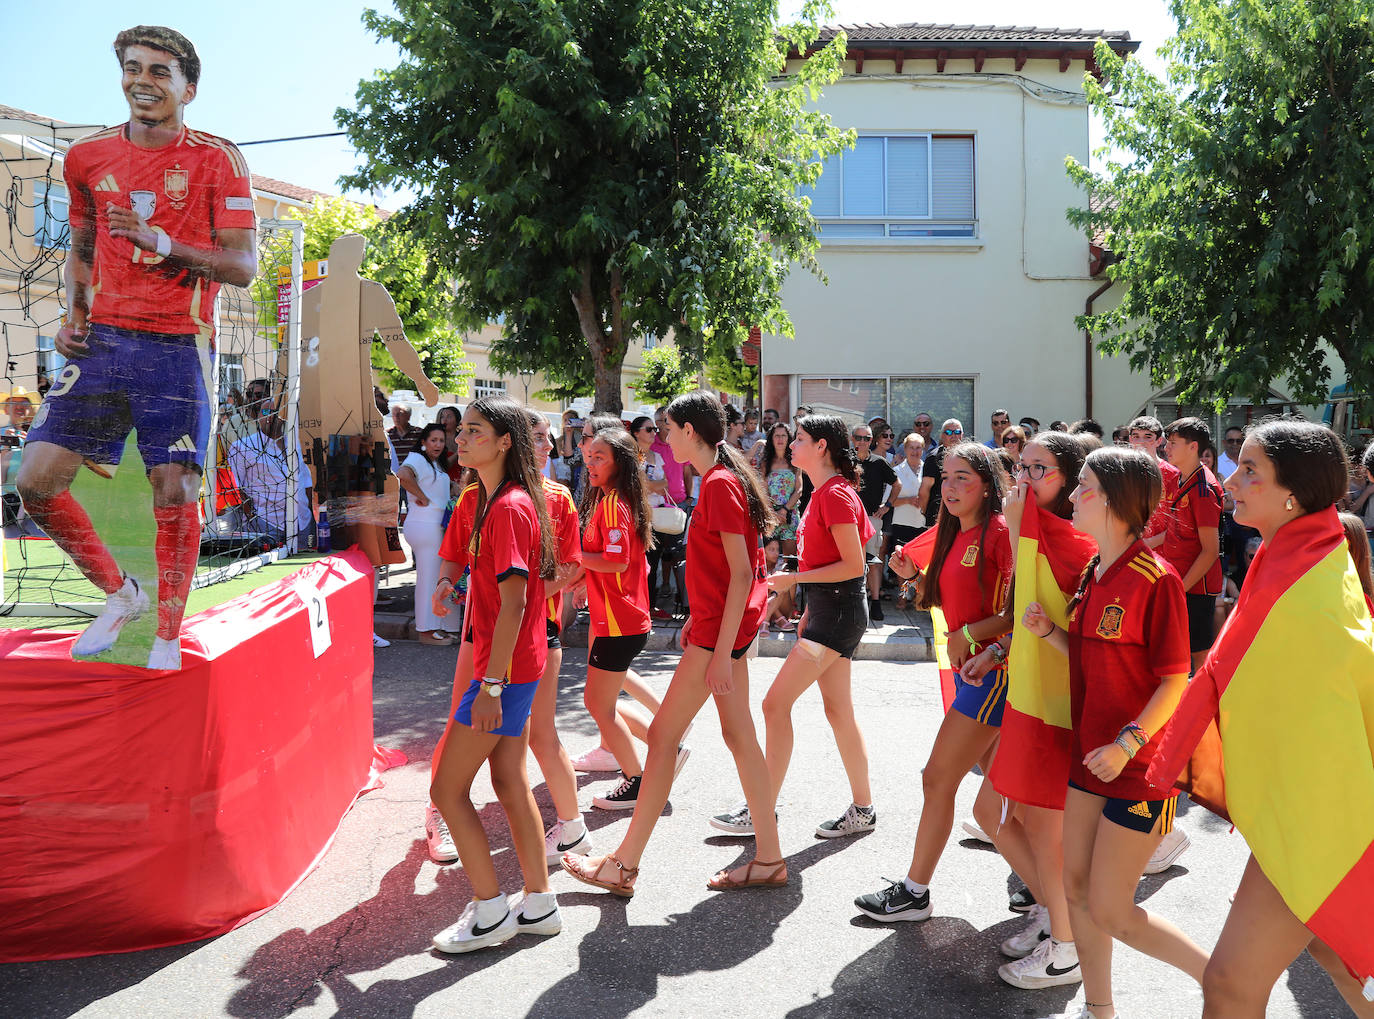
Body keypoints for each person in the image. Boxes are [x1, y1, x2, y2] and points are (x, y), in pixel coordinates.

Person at [16, 25, 258, 671]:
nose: (142, 80)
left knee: (174, 489)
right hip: (102, 344)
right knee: (33, 480)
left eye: (159, 70)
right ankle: (122, 594)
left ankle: (167, 637)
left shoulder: (217, 158)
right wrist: (72, 318)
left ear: (189, 87)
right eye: (132, 67)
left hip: (176, 345)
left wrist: (161, 241)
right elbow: (83, 249)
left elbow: (243, 267)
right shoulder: (87, 158)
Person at [1147, 420, 1374, 1017]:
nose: (1234, 481)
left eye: (1251, 471)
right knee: (1333, 954)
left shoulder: (1305, 578)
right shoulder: (1301, 555)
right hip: (1309, 809)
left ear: (1292, 493)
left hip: (1317, 819)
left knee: (1228, 982)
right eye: (1238, 466)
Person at [562, 392, 786, 895]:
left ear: (690, 430)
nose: (662, 437)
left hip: (719, 638)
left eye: (668, 428)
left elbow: (744, 572)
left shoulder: (721, 483)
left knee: (664, 739)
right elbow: (733, 571)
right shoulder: (721, 480)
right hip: (716, 632)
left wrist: (722, 649)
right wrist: (704, 625)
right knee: (739, 738)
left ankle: (623, 865)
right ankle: (769, 858)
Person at [1021, 446, 1209, 1019]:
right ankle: (1099, 1009)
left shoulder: (1159, 579)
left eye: (1084, 487)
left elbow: (1176, 680)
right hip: (1089, 760)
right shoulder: (1091, 571)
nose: (1073, 495)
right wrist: (1050, 631)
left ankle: (1221, 977)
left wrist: (1127, 742)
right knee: (1074, 889)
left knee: (1113, 909)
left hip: (1139, 769)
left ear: (1118, 502)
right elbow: (1089, 655)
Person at [854, 443, 1013, 924]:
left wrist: (972, 638)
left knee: (938, 779)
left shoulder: (1000, 534)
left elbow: (1018, 614)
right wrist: (912, 576)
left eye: (963, 477)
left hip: (993, 674)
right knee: (1002, 796)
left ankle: (914, 891)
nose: (950, 487)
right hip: (971, 673)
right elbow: (935, 601)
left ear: (987, 485)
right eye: (945, 478)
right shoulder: (952, 534)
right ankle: (1040, 886)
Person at [427, 396, 561, 953]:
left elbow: (513, 604)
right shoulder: (486, 499)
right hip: (513, 665)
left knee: (446, 789)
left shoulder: (506, 506)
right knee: (508, 782)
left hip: (503, 673)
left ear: (505, 442)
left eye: (474, 432)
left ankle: (489, 913)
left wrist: (492, 687)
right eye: (461, 431)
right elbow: (494, 588)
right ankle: (540, 903)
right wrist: (452, 588)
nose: (460, 438)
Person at [712, 414, 876, 839]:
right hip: (830, 612)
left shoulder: (835, 495)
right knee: (840, 712)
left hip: (837, 614)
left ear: (821, 446)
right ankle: (864, 808)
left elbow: (855, 565)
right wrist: (807, 606)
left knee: (773, 705)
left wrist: (795, 581)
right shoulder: (826, 492)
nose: (792, 444)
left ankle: (761, 809)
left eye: (800, 438)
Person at [968, 431, 1090, 989]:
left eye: (1038, 469)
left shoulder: (1076, 544)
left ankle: (1067, 948)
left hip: (1055, 707)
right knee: (997, 818)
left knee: (1041, 828)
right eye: (1021, 467)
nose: (1023, 478)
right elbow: (1027, 618)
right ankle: (1051, 911)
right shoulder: (1033, 533)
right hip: (1024, 696)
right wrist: (996, 651)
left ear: (1068, 480)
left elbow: (1072, 634)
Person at [580, 424, 662, 811]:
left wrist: (574, 560)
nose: (590, 461)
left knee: (599, 705)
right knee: (600, 703)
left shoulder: (613, 502)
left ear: (619, 463)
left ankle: (637, 779)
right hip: (619, 618)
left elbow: (616, 561)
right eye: (589, 454)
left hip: (620, 621)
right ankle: (662, 751)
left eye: (600, 457)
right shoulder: (613, 497)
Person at [1161, 417, 1223, 671]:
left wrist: (1181, 588)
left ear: (1193, 447)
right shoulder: (1179, 479)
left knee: (1199, 653)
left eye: (1173, 443)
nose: (1166, 448)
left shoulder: (1203, 489)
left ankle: (1207, 707)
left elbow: (1210, 551)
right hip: (1180, 578)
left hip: (1195, 585)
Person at [227, 378, 313, 548]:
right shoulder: (242, 447)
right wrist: (252, 517)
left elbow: (305, 477)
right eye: (265, 413)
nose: (270, 417)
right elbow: (236, 488)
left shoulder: (293, 442)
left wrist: (308, 511)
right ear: (258, 417)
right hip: (268, 523)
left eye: (275, 412)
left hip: (302, 522)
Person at [398, 423, 455, 645]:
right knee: (429, 579)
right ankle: (426, 631)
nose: (438, 444)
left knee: (439, 577)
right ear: (423, 442)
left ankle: (440, 626)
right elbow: (402, 474)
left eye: (441, 440)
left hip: (434, 525)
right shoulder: (417, 458)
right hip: (425, 525)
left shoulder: (433, 463)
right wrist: (421, 496)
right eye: (433, 440)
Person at [851, 423, 899, 622]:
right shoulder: (846, 462)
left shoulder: (879, 462)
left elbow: (897, 484)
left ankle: (876, 602)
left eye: (867, 438)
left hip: (872, 518)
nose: (863, 442)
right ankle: (854, 603)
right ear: (852, 439)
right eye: (859, 437)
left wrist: (886, 505)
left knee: (874, 562)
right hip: (848, 520)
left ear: (872, 440)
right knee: (852, 563)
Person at [889, 433, 927, 610]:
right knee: (901, 562)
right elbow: (889, 502)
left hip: (922, 523)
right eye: (911, 447)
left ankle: (919, 598)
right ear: (904, 450)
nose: (915, 451)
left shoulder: (928, 470)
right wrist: (909, 500)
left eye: (918, 447)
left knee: (921, 563)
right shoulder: (896, 472)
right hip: (902, 521)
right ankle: (903, 596)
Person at [758, 422, 802, 557]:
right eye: (777, 435)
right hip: (771, 517)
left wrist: (784, 510)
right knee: (769, 560)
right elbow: (763, 490)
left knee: (791, 560)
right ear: (771, 439)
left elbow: (799, 489)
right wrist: (773, 512)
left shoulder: (795, 461)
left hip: (790, 515)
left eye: (783, 435)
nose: (780, 439)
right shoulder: (766, 462)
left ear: (789, 439)